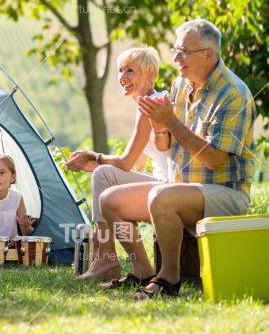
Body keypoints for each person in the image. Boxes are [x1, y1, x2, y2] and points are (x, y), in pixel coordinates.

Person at [99, 19, 255, 299]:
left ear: (207, 54)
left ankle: (168, 279)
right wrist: (161, 128)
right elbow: (166, 144)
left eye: (183, 51)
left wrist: (171, 121)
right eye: (175, 50)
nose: (175, 58)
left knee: (162, 196)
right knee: (109, 200)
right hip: (178, 187)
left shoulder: (234, 93)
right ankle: (142, 272)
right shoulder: (180, 85)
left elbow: (213, 159)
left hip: (226, 194)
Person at [65, 46, 169, 282]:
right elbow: (137, 164)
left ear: (149, 75)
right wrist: (101, 167)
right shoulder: (149, 102)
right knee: (103, 174)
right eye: (120, 71)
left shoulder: (150, 105)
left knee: (102, 174)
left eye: (130, 71)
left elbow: (126, 161)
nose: (122, 77)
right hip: (164, 182)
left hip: (170, 186)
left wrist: (96, 158)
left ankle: (107, 258)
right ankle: (111, 259)